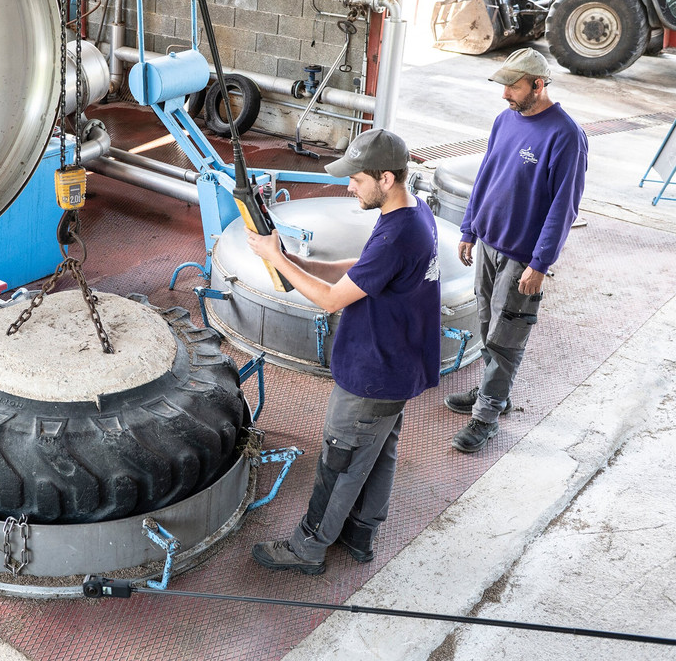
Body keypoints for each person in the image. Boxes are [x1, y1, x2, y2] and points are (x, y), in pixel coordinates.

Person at [247, 129, 442, 575]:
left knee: (342, 458)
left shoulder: (399, 234)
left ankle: (307, 548)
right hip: (399, 367)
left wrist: (277, 260)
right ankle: (359, 533)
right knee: (378, 453)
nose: (348, 186)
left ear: (386, 178)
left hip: (373, 372)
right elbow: (362, 268)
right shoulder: (414, 214)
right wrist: (302, 263)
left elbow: (333, 300)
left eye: (356, 178)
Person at [447, 48, 588, 453]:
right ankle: (494, 394)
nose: (505, 94)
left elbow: (565, 206)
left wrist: (540, 263)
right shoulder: (505, 120)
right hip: (488, 243)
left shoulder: (565, 135)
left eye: (514, 86)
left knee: (506, 337)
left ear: (539, 85)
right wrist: (470, 227)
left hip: (522, 256)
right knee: (488, 325)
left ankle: (486, 416)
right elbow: (486, 175)